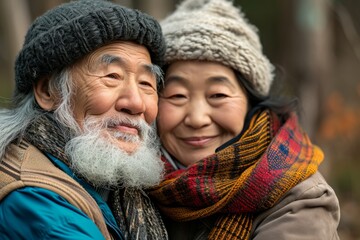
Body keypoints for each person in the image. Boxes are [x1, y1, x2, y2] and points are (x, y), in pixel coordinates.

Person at [148, 0, 341, 239]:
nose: (197, 119)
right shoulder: (131, 185)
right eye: (177, 95)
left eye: (218, 95)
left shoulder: (300, 200)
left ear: (251, 101)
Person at [0, 0, 168, 239]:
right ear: (48, 92)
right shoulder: (36, 200)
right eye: (112, 76)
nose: (136, 103)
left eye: (146, 83)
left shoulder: (117, 189)